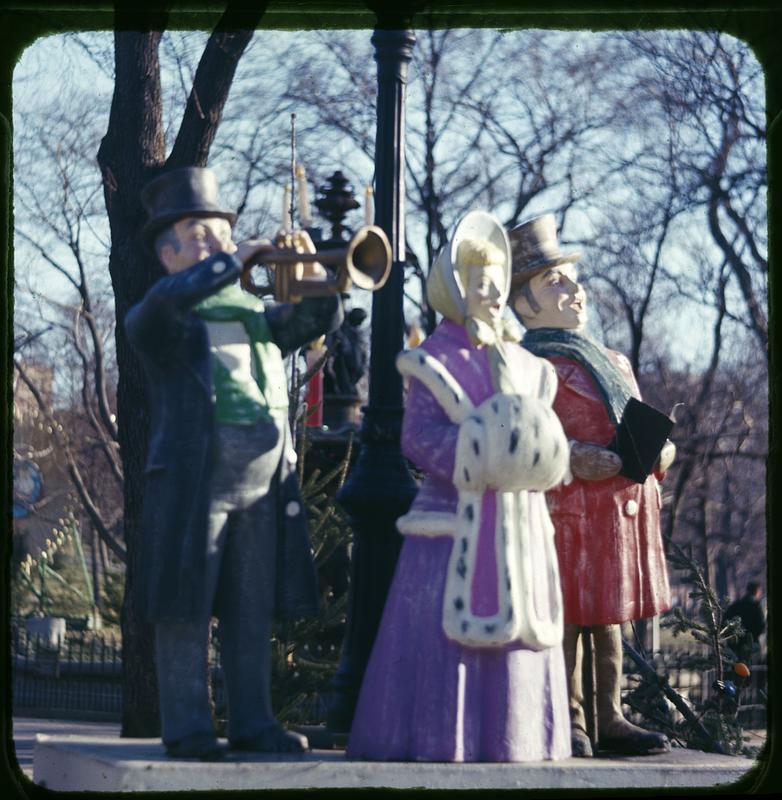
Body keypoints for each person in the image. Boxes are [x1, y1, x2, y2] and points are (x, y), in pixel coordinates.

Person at [125, 166, 342, 760]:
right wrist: (231, 259)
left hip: (264, 485)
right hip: (197, 483)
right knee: (186, 608)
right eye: (199, 235)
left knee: (251, 609)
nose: (217, 243)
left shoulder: (254, 314)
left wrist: (319, 276)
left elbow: (313, 321)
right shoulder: (163, 315)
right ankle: (189, 725)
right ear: (168, 255)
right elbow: (153, 313)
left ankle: (253, 721)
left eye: (221, 231)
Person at [346, 211, 572, 762]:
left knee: (522, 636)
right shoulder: (432, 362)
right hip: (451, 525)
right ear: (456, 288)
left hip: (519, 528)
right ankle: (439, 737)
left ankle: (517, 736)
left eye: (498, 280)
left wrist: (541, 460)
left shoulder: (529, 365)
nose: (493, 292)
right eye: (480, 281)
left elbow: (540, 436)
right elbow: (418, 436)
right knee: (441, 639)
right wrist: (479, 456)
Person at [507, 214, 675, 757]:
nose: (573, 289)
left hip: (618, 513)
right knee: (569, 616)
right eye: (553, 281)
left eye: (571, 279)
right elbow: (524, 433)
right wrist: (573, 455)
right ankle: (569, 719)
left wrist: (660, 451)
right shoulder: (529, 362)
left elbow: (634, 418)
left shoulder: (613, 360)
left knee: (608, 619)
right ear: (524, 303)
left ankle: (611, 717)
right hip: (566, 509)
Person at [726, 581, 765, 661]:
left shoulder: (736, 605)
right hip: (751, 645)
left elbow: (726, 621)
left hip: (735, 645)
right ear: (757, 591)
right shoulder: (755, 606)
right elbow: (761, 625)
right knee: (752, 669)